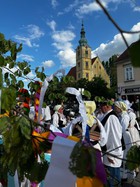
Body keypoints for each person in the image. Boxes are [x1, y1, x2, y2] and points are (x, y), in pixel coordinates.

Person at [98, 100, 123, 187]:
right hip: (108, 152)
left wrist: (112, 154)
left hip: (112, 152)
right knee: (110, 178)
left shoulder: (111, 117)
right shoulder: (108, 116)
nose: (101, 108)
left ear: (107, 106)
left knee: (113, 178)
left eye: (102, 106)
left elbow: (114, 137)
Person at [114, 101, 134, 182]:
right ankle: (123, 175)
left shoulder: (124, 116)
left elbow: (122, 128)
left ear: (120, 108)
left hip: (125, 137)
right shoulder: (120, 115)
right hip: (122, 136)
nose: (115, 108)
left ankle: (126, 175)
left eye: (116, 107)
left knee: (125, 155)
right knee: (123, 156)